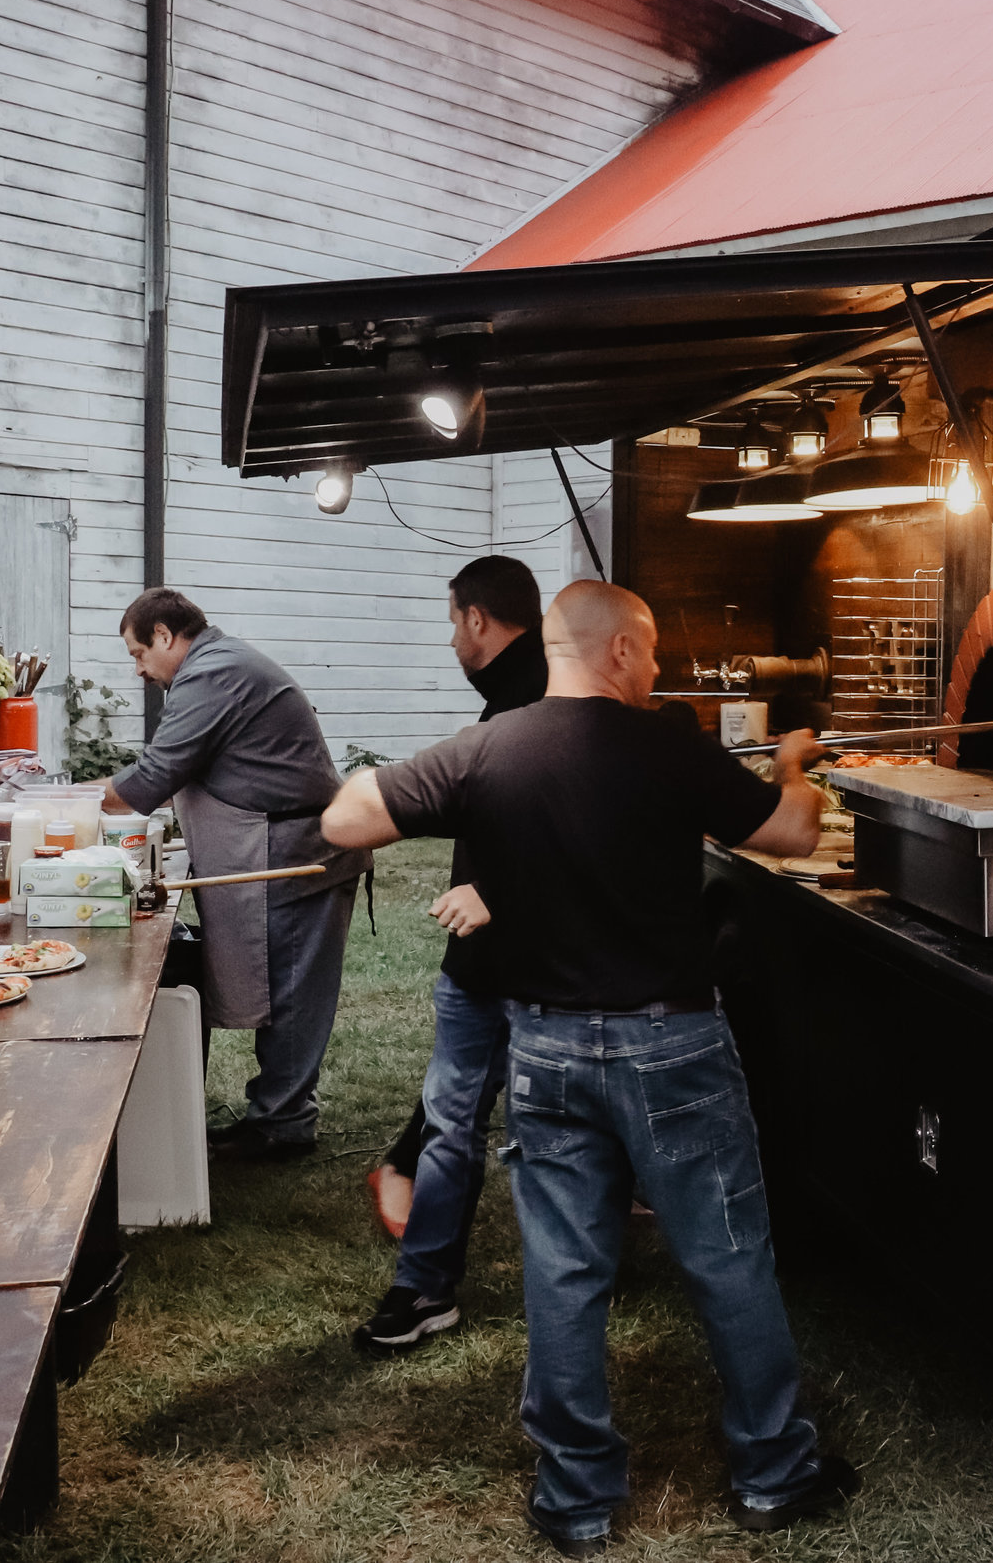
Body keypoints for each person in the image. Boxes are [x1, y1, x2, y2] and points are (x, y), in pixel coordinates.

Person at [321, 582, 857, 1552]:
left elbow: (347, 817)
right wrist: (794, 766)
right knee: (727, 1257)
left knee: (564, 1273)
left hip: (548, 1048)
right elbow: (791, 834)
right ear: (617, 652)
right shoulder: (668, 747)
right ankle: (775, 1471)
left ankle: (574, 1499)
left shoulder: (492, 748)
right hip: (674, 1047)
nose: (654, 673)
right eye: (649, 655)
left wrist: (467, 817)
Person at [106, 588, 369, 1160]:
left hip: (298, 851)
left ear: (166, 635)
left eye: (138, 653)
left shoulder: (212, 673)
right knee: (280, 981)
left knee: (293, 986)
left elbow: (156, 774)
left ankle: (283, 1124)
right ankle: (276, 1113)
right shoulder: (211, 667)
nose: (139, 669)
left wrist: (75, 801)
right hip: (271, 846)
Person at [362, 555, 549, 1264]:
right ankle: (409, 1175)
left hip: (507, 926)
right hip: (501, 921)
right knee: (470, 1078)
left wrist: (493, 892)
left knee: (472, 1083)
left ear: (477, 618)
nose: (451, 642)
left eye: (452, 623)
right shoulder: (520, 685)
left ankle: (416, 1206)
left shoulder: (526, 693)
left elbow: (532, 812)